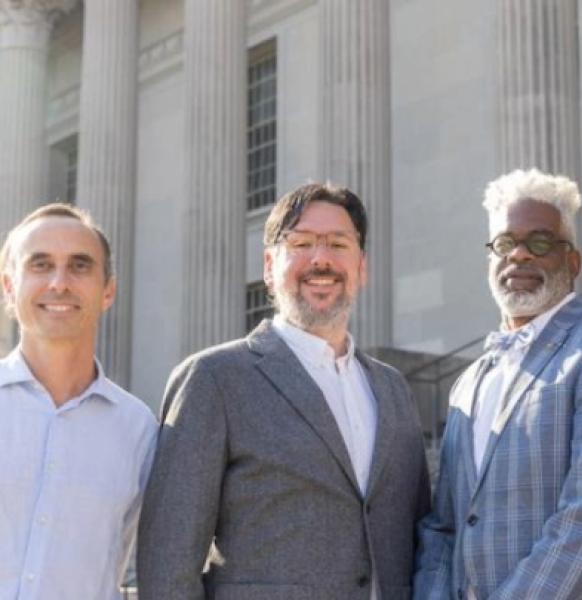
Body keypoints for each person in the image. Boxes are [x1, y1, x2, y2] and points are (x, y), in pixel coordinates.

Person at [137, 182, 431, 600]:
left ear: (362, 266)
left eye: (338, 244)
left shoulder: (394, 389)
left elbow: (418, 536)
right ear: (269, 266)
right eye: (302, 243)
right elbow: (168, 564)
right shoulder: (213, 379)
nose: (321, 259)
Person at [414, 168, 582, 600]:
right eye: (505, 244)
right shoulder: (469, 382)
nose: (520, 256)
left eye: (540, 242)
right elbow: (444, 527)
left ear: (573, 261)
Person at [0, 203, 157, 600]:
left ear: (108, 291)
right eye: (40, 264)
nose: (59, 282)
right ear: (8, 287)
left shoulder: (140, 429)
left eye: (80, 265)